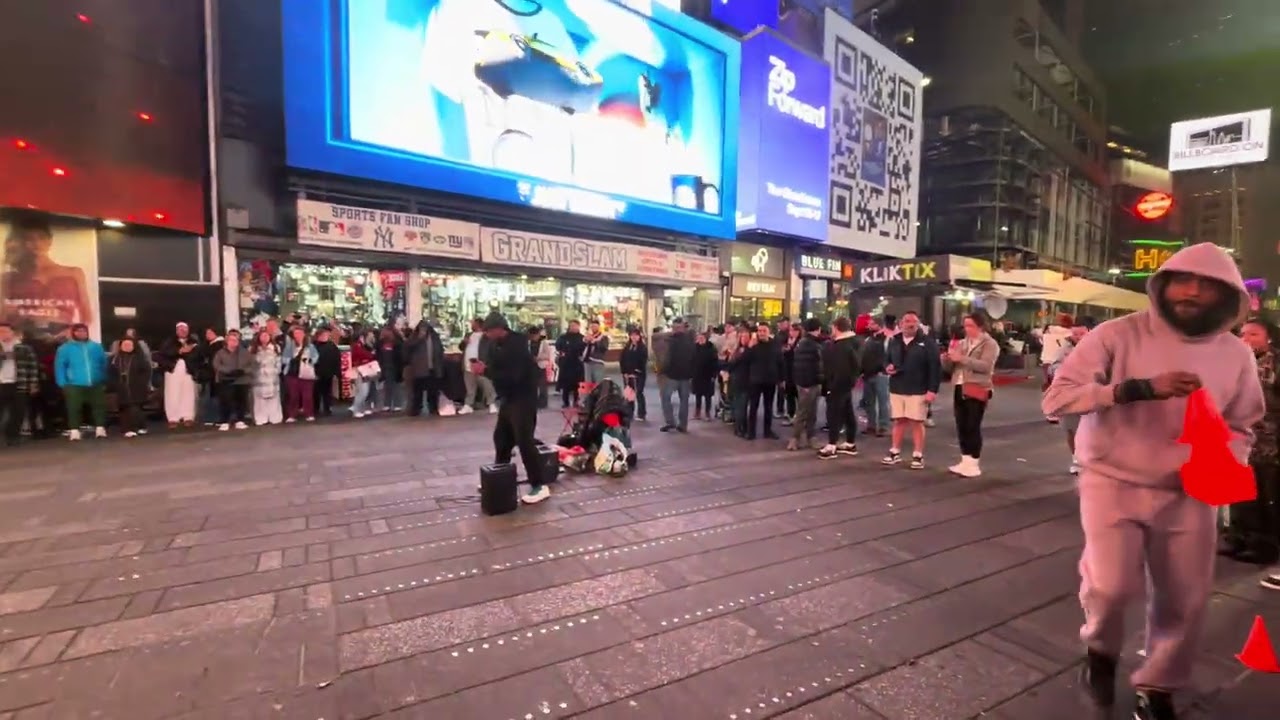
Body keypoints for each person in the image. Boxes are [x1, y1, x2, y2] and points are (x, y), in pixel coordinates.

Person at [1042, 243, 1264, 719]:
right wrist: (1136, 389)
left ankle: (1159, 684)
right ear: (1163, 283)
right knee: (1109, 588)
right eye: (1183, 279)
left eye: (1207, 285)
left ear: (1227, 295)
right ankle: (1100, 653)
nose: (1192, 291)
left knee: (1185, 597)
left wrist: (1224, 462)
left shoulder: (1236, 354)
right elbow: (1056, 399)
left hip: (1190, 493)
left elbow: (1243, 423)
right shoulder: (1116, 334)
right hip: (1112, 479)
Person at [476, 312, 547, 504]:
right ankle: (500, 477)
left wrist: (487, 371)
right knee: (502, 438)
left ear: (500, 329)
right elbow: (496, 368)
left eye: (489, 331)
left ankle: (539, 484)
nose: (487, 335)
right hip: (508, 398)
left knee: (524, 441)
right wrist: (485, 368)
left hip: (523, 397)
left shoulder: (518, 345)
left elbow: (513, 376)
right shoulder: (495, 345)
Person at [1, 215, 94, 338]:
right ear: (23, 243)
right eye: (29, 239)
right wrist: (8, 331)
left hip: (63, 334)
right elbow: (2, 314)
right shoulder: (8, 278)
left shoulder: (74, 273)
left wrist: (72, 332)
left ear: (50, 241)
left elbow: (86, 314)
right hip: (23, 335)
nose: (36, 244)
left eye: (41, 238)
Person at [941, 313, 999, 478]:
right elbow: (950, 368)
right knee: (961, 425)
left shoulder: (990, 344)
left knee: (973, 425)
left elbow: (985, 366)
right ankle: (965, 460)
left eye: (970, 326)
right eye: (965, 326)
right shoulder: (962, 343)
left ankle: (974, 463)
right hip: (959, 386)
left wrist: (962, 358)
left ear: (980, 326)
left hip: (977, 387)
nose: (967, 329)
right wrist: (946, 359)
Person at [882, 311, 941, 469]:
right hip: (897, 387)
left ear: (918, 324)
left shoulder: (927, 343)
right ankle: (895, 452)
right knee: (899, 421)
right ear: (901, 324)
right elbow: (886, 359)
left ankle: (917, 455)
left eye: (914, 321)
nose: (911, 324)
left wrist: (932, 390)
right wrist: (888, 367)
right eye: (907, 321)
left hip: (918, 389)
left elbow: (935, 368)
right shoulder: (894, 340)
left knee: (916, 422)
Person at [817, 316, 861, 459]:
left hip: (837, 384)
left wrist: (832, 386)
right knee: (848, 413)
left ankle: (831, 445)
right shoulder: (855, 342)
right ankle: (850, 442)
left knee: (834, 414)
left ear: (836, 327)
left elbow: (839, 368)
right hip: (848, 383)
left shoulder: (841, 346)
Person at [54, 323, 107, 440]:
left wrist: (103, 379)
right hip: (74, 384)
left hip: (95, 382)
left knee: (99, 406)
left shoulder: (96, 347)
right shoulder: (65, 348)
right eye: (78, 331)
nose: (81, 333)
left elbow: (103, 363)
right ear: (73, 333)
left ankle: (100, 429)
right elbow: (60, 366)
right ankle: (74, 430)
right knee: (74, 407)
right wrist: (62, 383)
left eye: (84, 331)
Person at [1053, 321, 1093, 474]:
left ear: (1089, 331)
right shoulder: (1065, 348)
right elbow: (1054, 366)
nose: (1077, 337)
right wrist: (1063, 371)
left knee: (1092, 430)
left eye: (1081, 334)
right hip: (1069, 395)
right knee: (1070, 429)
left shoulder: (1099, 347)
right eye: (1075, 334)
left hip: (1092, 394)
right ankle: (1076, 459)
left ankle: (1091, 460)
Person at [787, 318, 824, 451]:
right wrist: (806, 384)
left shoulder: (804, 343)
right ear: (818, 329)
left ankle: (809, 437)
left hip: (809, 382)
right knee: (804, 412)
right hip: (809, 383)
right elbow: (805, 366)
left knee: (810, 412)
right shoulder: (811, 344)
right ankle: (796, 439)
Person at [0, 322, 39, 445]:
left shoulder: (24, 348)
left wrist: (33, 383)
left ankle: (12, 436)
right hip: (1, 383)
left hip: (19, 382)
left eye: (5, 331)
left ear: (12, 332)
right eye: (0, 332)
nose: (3, 334)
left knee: (18, 411)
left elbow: (33, 366)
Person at [745, 322, 783, 441]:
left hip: (770, 380)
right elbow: (746, 360)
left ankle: (767, 431)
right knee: (753, 406)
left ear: (769, 332)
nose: (761, 333)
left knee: (768, 407)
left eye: (764, 331)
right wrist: (749, 347)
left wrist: (781, 379)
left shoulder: (775, 344)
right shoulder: (754, 345)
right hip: (755, 380)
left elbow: (780, 362)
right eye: (759, 331)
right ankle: (751, 432)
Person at [109, 335, 153, 438]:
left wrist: (142, 383)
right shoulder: (115, 358)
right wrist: (115, 384)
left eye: (129, 345)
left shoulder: (140, 358)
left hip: (137, 387)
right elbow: (110, 372)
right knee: (125, 408)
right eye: (125, 345)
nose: (127, 347)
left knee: (136, 408)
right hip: (121, 387)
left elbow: (147, 372)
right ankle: (128, 429)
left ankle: (141, 426)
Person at [159, 322, 201, 428]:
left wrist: (189, 353)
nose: (183, 331)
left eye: (185, 329)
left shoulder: (193, 341)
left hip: (188, 370)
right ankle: (173, 418)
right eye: (180, 329)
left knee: (188, 394)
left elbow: (198, 355)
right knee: (172, 394)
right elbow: (164, 353)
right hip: (173, 370)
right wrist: (180, 351)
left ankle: (188, 417)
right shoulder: (169, 342)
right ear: (177, 330)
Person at [856, 314, 891, 437]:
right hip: (868, 375)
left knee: (882, 402)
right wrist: (861, 372)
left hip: (881, 375)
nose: (868, 326)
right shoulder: (868, 340)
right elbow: (864, 357)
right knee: (869, 402)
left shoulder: (887, 339)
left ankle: (883, 426)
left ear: (878, 325)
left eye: (871, 324)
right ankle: (871, 425)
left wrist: (884, 369)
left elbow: (889, 356)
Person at [660, 318, 695, 433]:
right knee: (684, 400)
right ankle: (682, 424)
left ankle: (671, 422)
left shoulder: (671, 341)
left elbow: (667, 358)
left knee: (665, 397)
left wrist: (663, 370)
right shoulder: (690, 341)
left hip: (673, 375)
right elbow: (694, 358)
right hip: (686, 375)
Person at [213, 329, 252, 431]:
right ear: (227, 341)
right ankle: (225, 421)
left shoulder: (245, 352)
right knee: (225, 401)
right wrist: (229, 371)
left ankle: (240, 420)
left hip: (241, 380)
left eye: (235, 340)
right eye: (231, 340)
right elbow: (216, 365)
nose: (233, 342)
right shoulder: (220, 353)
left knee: (241, 401)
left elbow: (252, 365)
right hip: (226, 380)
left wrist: (243, 371)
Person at [405, 320, 446, 416]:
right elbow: (407, 348)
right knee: (417, 391)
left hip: (433, 368)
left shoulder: (434, 338)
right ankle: (416, 409)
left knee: (433, 391)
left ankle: (433, 408)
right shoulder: (414, 338)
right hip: (419, 369)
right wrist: (419, 339)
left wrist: (440, 365)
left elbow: (439, 350)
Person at [1039, 312, 1074, 423]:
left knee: (1049, 386)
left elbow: (1039, 338)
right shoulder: (1069, 334)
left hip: (1046, 361)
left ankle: (1049, 410)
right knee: (1058, 388)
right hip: (1059, 363)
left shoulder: (1047, 332)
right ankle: (1054, 412)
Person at [281, 326, 318, 423]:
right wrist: (292, 360)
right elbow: (283, 359)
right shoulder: (289, 346)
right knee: (293, 395)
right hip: (292, 373)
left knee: (307, 396)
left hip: (306, 373)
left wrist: (309, 360)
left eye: (300, 333)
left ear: (304, 334)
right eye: (296, 334)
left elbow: (316, 357)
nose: (298, 336)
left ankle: (309, 413)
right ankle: (292, 414)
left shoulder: (310, 346)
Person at [460, 317, 496, 414]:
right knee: (470, 386)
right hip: (467, 364)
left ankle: (492, 403)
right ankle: (468, 404)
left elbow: (491, 349)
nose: (471, 325)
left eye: (473, 323)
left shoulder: (486, 336)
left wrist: (486, 363)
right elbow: (461, 347)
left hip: (480, 364)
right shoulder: (468, 335)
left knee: (486, 384)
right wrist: (464, 342)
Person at [249, 329, 283, 426]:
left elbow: (279, 361)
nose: (264, 338)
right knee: (259, 399)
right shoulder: (253, 349)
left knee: (274, 398)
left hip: (272, 376)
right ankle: (260, 418)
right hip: (258, 377)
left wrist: (276, 371)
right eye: (262, 336)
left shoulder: (276, 347)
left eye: (266, 336)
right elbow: (250, 363)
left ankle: (275, 417)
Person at [618, 328, 648, 421]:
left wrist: (635, 372)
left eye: (636, 335)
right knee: (629, 394)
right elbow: (622, 360)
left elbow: (642, 361)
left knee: (639, 393)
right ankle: (629, 413)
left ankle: (641, 414)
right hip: (627, 375)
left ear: (639, 336)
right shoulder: (627, 347)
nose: (634, 337)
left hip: (639, 375)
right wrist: (624, 372)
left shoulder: (642, 348)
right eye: (632, 335)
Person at [311, 327, 341, 417]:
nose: (326, 336)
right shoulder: (313, 346)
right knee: (316, 392)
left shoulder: (332, 346)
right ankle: (315, 409)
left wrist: (337, 372)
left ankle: (327, 408)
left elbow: (337, 359)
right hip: (316, 372)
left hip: (328, 372)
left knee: (327, 392)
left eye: (327, 335)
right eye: (325, 335)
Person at [555, 320, 586, 408]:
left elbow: (584, 348)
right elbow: (558, 346)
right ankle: (566, 402)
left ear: (579, 327)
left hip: (577, 363)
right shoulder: (563, 337)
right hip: (566, 363)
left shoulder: (582, 338)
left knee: (577, 383)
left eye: (575, 326)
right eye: (572, 326)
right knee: (566, 384)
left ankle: (576, 401)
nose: (573, 327)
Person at [348, 331, 379, 418]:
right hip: (360, 370)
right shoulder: (357, 346)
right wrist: (371, 354)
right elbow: (364, 355)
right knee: (362, 391)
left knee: (363, 390)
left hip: (363, 370)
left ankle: (359, 409)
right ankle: (356, 410)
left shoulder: (359, 346)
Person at [376, 327, 406, 412]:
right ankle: (387, 404)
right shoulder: (380, 343)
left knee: (396, 386)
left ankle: (397, 404)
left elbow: (401, 356)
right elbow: (378, 355)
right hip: (385, 367)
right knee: (388, 386)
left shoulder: (397, 343)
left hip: (395, 367)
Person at [691, 332, 719, 421]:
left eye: (702, 338)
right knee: (698, 395)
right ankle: (697, 412)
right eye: (698, 338)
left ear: (706, 339)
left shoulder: (711, 348)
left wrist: (714, 374)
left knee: (708, 396)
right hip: (697, 375)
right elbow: (691, 361)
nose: (700, 340)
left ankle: (707, 413)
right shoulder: (694, 348)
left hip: (708, 375)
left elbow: (715, 362)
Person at [529, 326, 555, 410]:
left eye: (535, 335)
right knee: (532, 385)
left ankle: (543, 402)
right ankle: (533, 401)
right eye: (532, 336)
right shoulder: (528, 343)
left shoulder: (544, 343)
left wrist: (538, 358)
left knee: (542, 385)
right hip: (531, 367)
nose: (534, 337)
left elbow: (548, 355)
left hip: (541, 366)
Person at [777, 319, 797, 421]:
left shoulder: (800, 342)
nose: (791, 332)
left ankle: (795, 414)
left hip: (796, 371)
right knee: (787, 392)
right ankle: (788, 413)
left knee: (794, 393)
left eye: (794, 330)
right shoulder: (783, 337)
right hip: (786, 369)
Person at [583, 320, 610, 384]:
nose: (593, 328)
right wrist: (585, 341)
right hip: (587, 361)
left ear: (599, 327)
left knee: (598, 381)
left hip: (598, 362)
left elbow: (604, 348)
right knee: (588, 382)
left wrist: (595, 342)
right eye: (592, 326)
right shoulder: (589, 336)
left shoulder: (603, 337)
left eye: (595, 326)